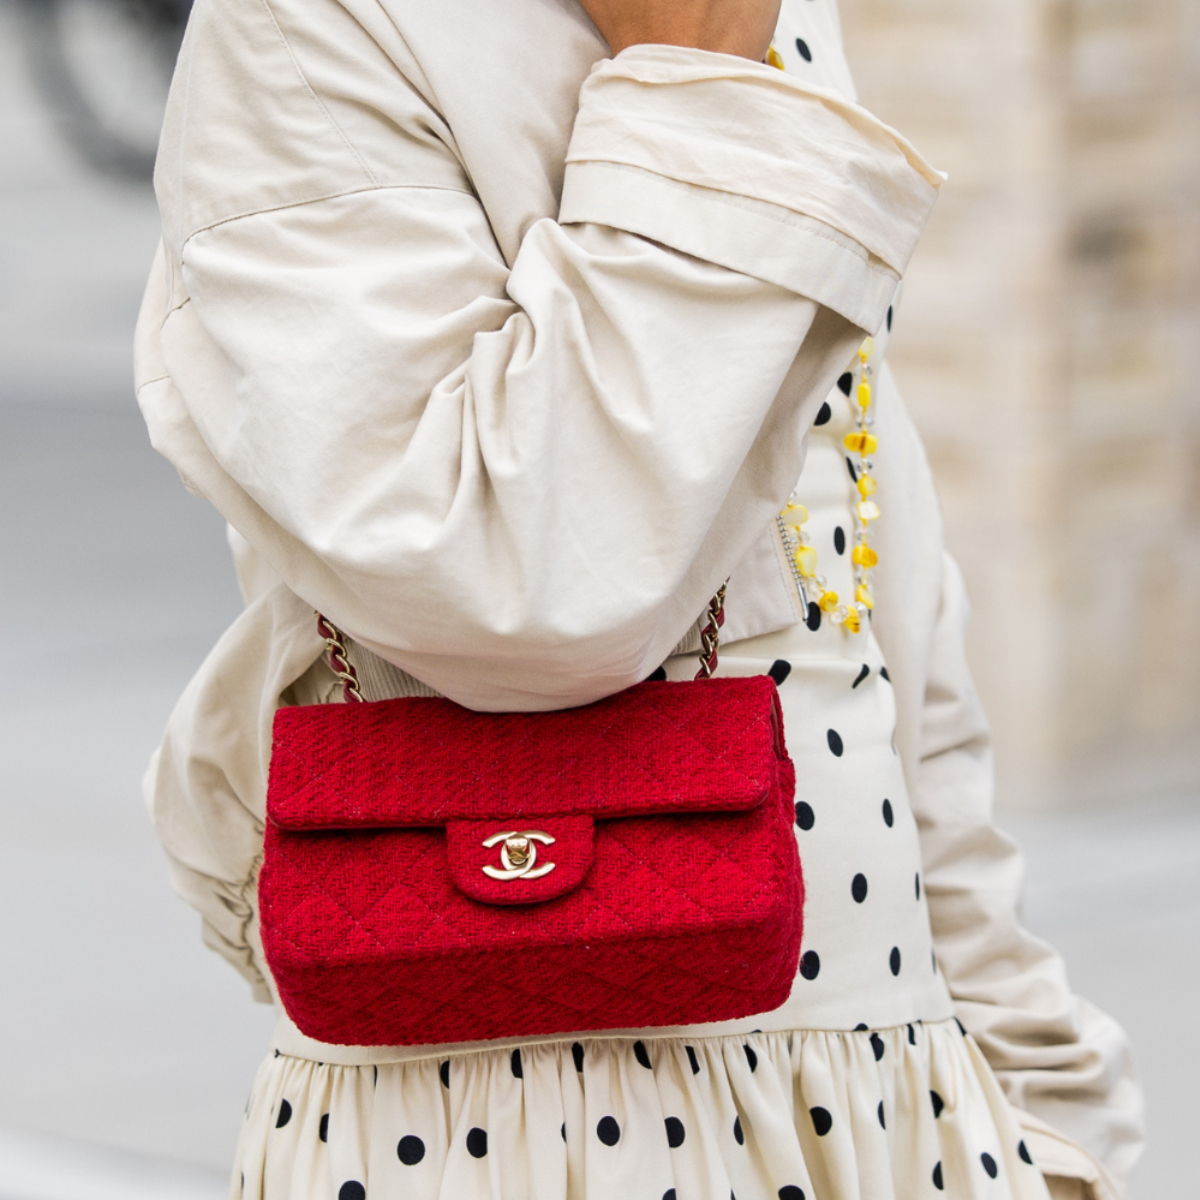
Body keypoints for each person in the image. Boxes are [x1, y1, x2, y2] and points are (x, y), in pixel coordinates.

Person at [133, 0, 1143, 1196]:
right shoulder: (313, 23)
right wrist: (687, 89)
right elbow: (518, 585)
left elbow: (858, 565)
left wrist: (1042, 1109)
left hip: (898, 1112)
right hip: (499, 1129)